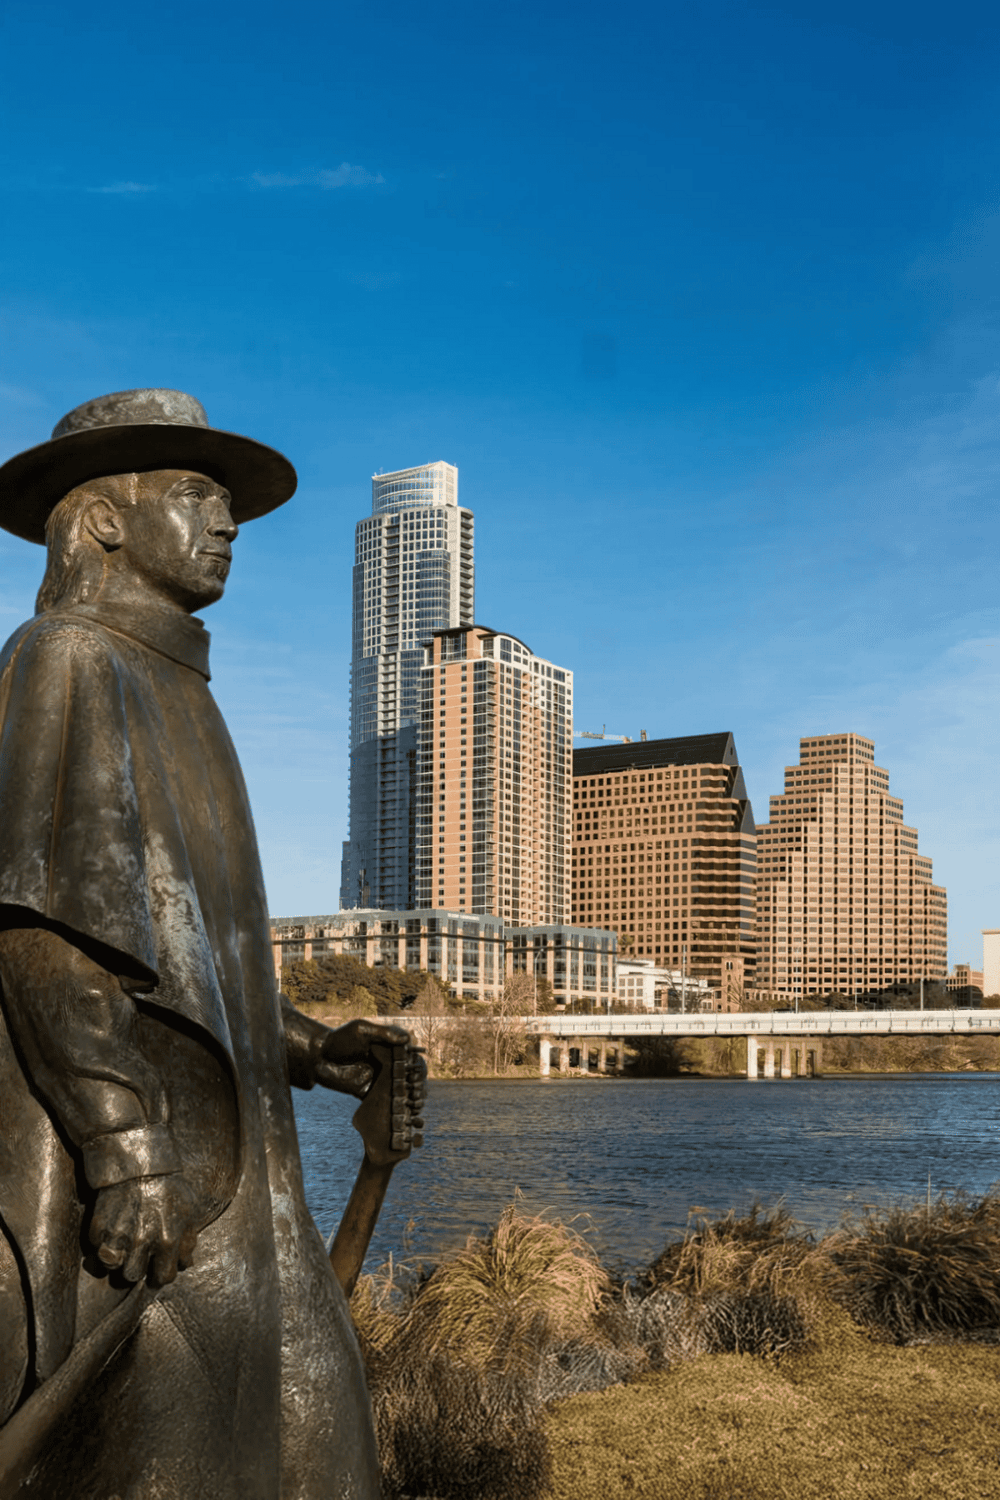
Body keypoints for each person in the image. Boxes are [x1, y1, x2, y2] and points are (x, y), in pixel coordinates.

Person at [0, 390, 422, 1499]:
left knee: (313, 1452)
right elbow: (46, 934)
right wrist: (121, 1146)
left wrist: (314, 1047)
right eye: (195, 494)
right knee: (165, 1461)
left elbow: (198, 966)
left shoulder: (186, 692)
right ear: (101, 521)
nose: (225, 520)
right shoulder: (66, 657)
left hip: (249, 1183)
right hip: (163, 1187)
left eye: (226, 501)